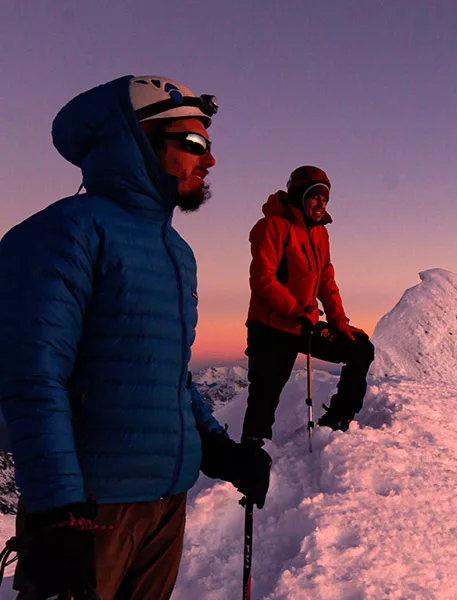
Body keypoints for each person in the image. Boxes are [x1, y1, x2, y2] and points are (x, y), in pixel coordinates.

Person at [0, 75, 271, 600]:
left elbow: (166, 373)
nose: (209, 160)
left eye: (209, 146)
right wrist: (58, 513)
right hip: (90, 510)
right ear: (137, 142)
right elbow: (33, 377)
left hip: (165, 505)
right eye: (193, 144)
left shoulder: (177, 252)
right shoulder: (66, 232)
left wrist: (217, 449)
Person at [243, 166, 375, 446]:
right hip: (270, 327)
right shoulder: (272, 226)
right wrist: (296, 309)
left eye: (325, 199)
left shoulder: (319, 234)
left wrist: (340, 322)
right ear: (298, 196)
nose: (321, 204)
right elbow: (262, 279)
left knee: (360, 348)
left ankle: (338, 420)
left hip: (302, 322)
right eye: (314, 197)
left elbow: (326, 279)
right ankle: (251, 464)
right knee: (264, 398)